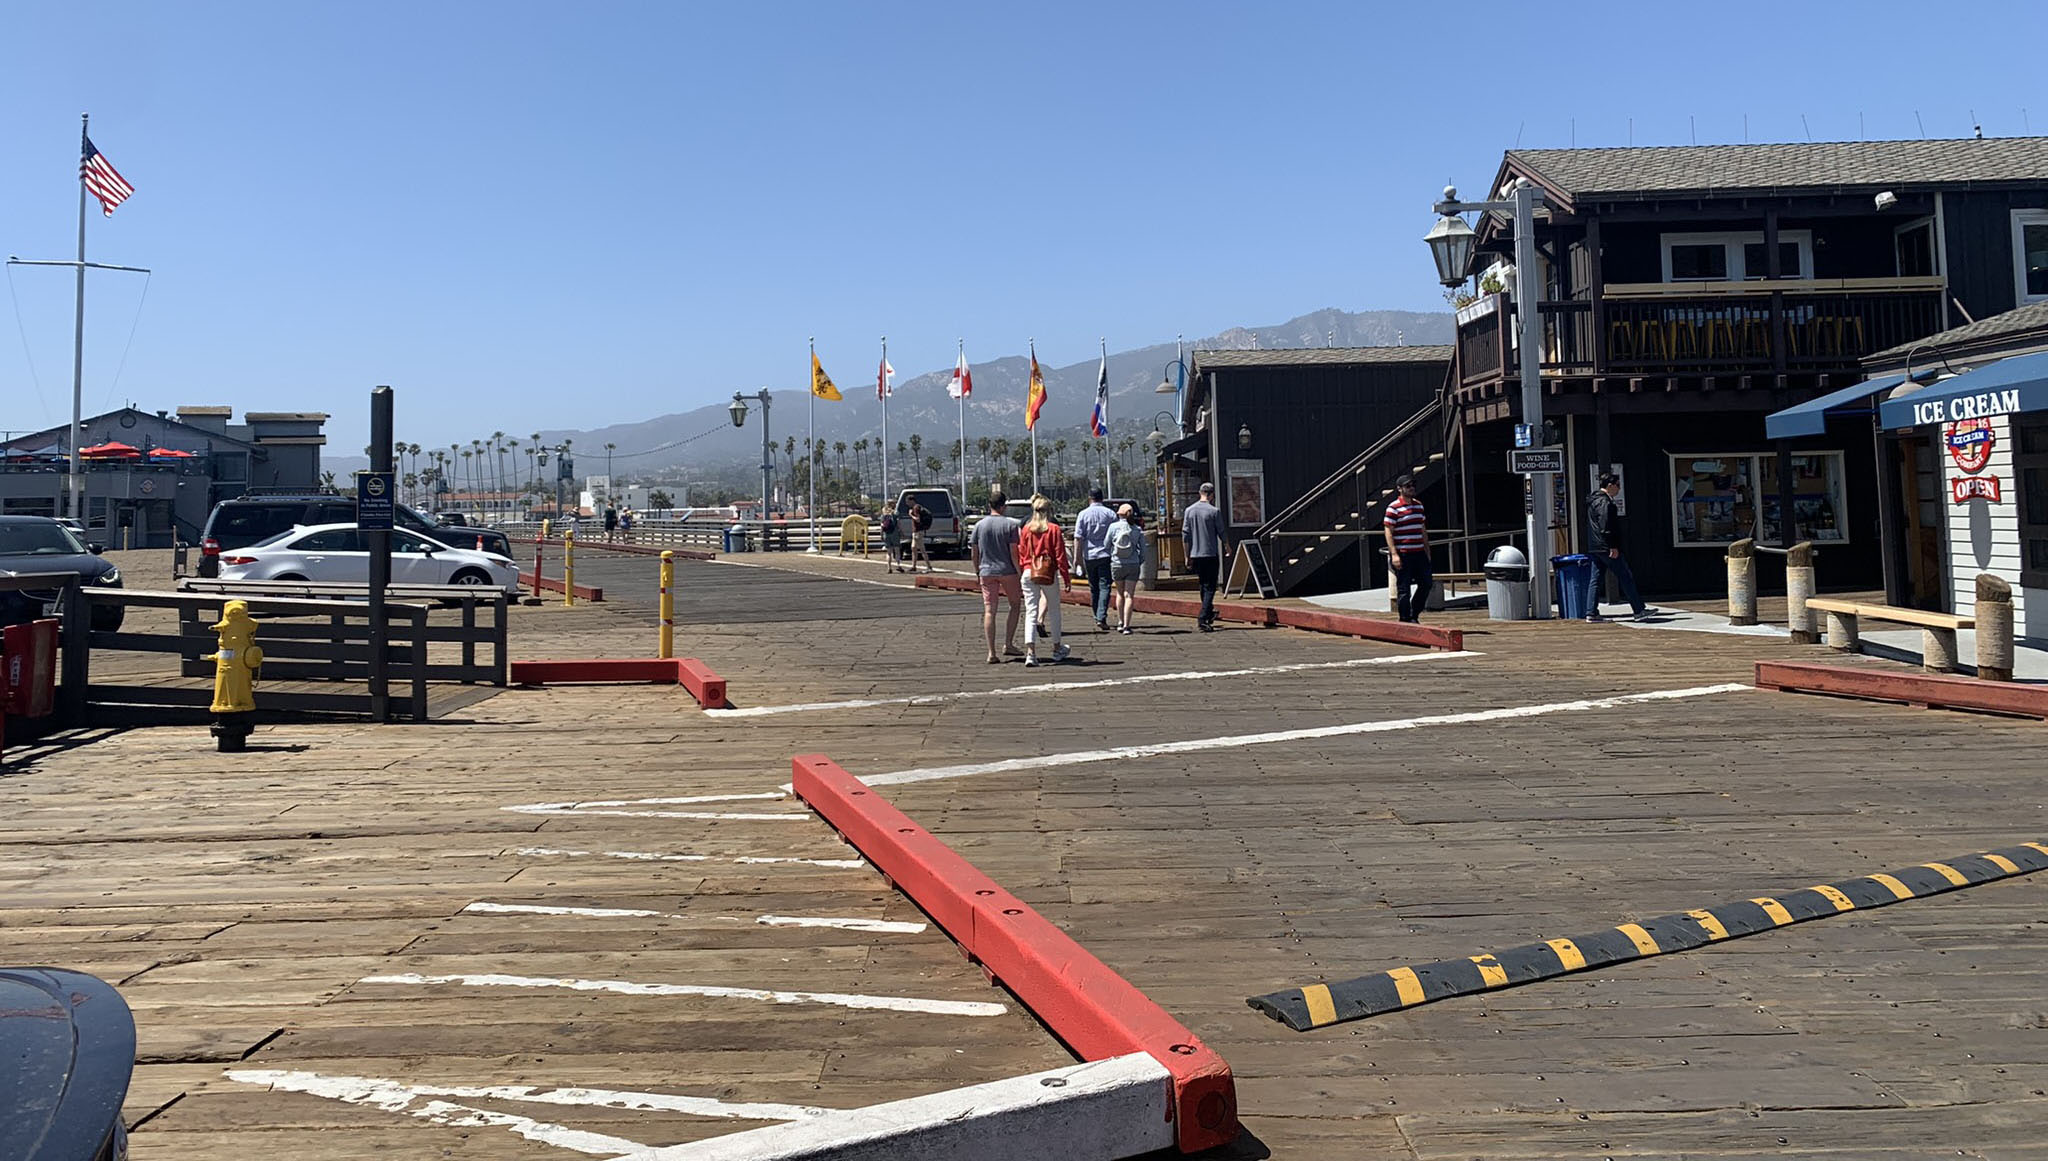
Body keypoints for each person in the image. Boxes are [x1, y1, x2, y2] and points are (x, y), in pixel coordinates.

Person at [1584, 472, 1655, 622]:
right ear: (1610, 485)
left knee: (1595, 579)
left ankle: (1591, 612)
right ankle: (1639, 610)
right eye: (1617, 485)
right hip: (1606, 547)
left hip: (1595, 547)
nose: (1619, 488)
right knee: (1625, 576)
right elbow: (1606, 525)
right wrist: (1612, 546)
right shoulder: (1605, 502)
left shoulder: (1593, 500)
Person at [1016, 494, 1072, 666]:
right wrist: (1066, 578)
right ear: (1049, 511)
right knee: (1054, 610)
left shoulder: (1026, 529)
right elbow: (1060, 556)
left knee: (1031, 611)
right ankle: (1056, 648)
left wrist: (1024, 570)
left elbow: (1021, 553)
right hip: (1048, 572)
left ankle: (1031, 653)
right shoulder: (1054, 529)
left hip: (1028, 571)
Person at [968, 490, 1024, 663]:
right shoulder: (1011, 525)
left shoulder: (979, 525)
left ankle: (991, 652)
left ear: (989, 506)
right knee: (1015, 605)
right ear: (1004, 506)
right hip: (1008, 571)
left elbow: (974, 552)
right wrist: (1019, 573)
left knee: (989, 611)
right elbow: (1014, 552)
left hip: (986, 571)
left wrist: (977, 571)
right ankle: (1008, 643)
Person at [1382, 474, 1433, 624]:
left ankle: (1414, 614)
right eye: (1408, 486)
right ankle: (1404, 619)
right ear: (1399, 489)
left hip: (1419, 552)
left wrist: (1427, 551)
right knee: (1404, 589)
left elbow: (1422, 530)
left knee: (1426, 583)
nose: (1411, 488)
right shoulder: (1393, 508)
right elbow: (1388, 531)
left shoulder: (1418, 506)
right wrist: (1394, 554)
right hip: (1403, 553)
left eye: (1413, 485)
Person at [1181, 481, 1226, 632]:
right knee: (1210, 586)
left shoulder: (1189, 511)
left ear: (1200, 493)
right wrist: (1227, 545)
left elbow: (1185, 535)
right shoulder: (1214, 511)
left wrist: (1187, 555)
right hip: (1210, 553)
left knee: (1203, 584)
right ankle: (1203, 617)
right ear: (1212, 495)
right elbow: (1221, 531)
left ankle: (1209, 611)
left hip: (1195, 553)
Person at [1072, 487, 1115, 631]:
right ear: (1102, 498)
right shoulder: (1110, 514)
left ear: (1089, 498)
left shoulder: (1083, 514)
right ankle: (1101, 616)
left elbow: (1078, 538)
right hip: (1106, 554)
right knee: (1105, 586)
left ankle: (1097, 615)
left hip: (1089, 555)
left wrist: (1077, 558)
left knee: (1094, 587)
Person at [1107, 503, 1145, 633]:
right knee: (1129, 595)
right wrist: (1138, 561)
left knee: (1119, 593)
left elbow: (1106, 545)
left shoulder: (1113, 527)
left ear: (1119, 514)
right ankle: (1126, 626)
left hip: (1117, 563)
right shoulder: (1137, 529)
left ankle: (1120, 621)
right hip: (1133, 564)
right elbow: (1143, 551)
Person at [908, 501, 934, 573]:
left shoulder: (916, 508)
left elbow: (918, 519)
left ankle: (929, 566)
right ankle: (913, 566)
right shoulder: (917, 507)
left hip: (918, 531)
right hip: (916, 531)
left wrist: (910, 515)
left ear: (911, 501)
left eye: (908, 502)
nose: (907, 504)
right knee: (913, 548)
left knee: (922, 549)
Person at [879, 507, 903, 572]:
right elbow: (899, 525)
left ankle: (889, 567)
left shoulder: (883, 517)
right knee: (897, 551)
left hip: (886, 534)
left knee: (889, 553)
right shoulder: (895, 515)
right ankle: (898, 565)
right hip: (895, 534)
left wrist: (881, 535)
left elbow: (882, 527)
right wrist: (901, 532)